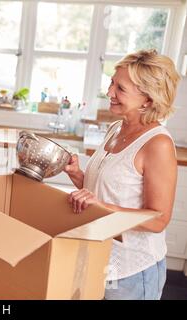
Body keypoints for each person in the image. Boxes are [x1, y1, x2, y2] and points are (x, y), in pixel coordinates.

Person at [64, 49, 180, 300]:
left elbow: (158, 220)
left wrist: (102, 206)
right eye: (111, 83)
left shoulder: (157, 144)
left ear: (147, 100)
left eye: (121, 89)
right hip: (100, 257)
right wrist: (77, 175)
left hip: (132, 270)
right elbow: (108, 194)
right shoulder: (118, 127)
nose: (110, 93)